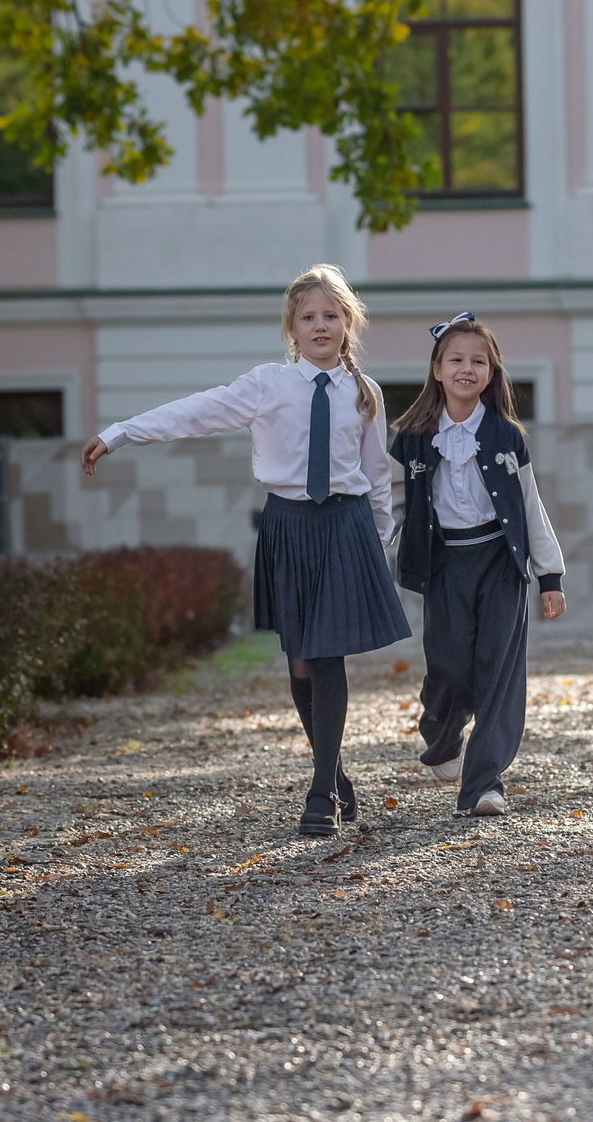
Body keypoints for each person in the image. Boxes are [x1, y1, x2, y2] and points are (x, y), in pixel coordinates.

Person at [80, 265, 407, 839]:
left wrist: (381, 534)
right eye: (309, 317)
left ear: (349, 322)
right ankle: (334, 769)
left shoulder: (365, 392)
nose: (321, 325)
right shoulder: (267, 385)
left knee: (327, 654)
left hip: (347, 526)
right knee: (301, 659)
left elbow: (378, 471)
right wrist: (121, 432)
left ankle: (321, 793)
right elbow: (196, 411)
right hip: (288, 525)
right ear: (292, 328)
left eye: (332, 316)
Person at [387, 313, 565, 818]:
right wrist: (372, 544)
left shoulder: (507, 435)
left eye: (478, 361)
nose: (467, 369)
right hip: (444, 562)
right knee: (447, 664)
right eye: (457, 360)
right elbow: (393, 503)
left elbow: (531, 505)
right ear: (437, 369)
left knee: (498, 670)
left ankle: (485, 783)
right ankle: (441, 734)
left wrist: (549, 575)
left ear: (492, 373)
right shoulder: (413, 437)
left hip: (499, 561)